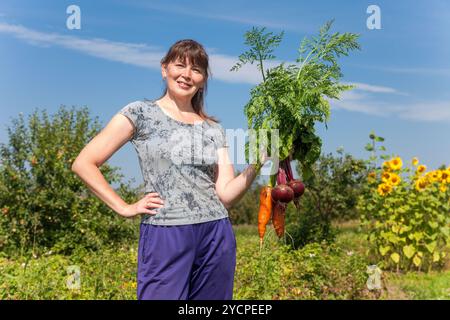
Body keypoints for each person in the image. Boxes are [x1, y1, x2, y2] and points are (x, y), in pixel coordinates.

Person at [71, 39, 268, 300]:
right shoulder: (140, 113)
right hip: (166, 231)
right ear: (164, 69)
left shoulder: (212, 129)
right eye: (180, 65)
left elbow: (227, 194)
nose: (187, 75)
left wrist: (260, 161)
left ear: (203, 79)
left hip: (216, 232)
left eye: (196, 70)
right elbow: (84, 163)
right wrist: (124, 207)